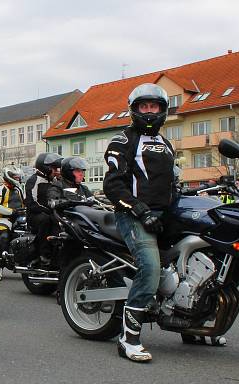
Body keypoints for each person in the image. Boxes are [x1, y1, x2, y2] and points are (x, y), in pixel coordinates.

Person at [103, 83, 177, 362]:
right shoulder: (122, 141)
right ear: (134, 110)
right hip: (133, 216)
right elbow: (113, 186)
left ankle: (195, 327)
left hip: (164, 217)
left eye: (154, 106)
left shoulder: (166, 144)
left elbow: (172, 184)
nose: (149, 111)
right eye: (144, 106)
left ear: (162, 110)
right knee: (150, 268)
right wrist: (140, 210)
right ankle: (128, 338)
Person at [24, 152, 62, 267]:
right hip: (35, 215)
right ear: (45, 168)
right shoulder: (34, 180)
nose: (56, 171)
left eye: (57, 168)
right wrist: (49, 210)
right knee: (46, 220)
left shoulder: (53, 181)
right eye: (54, 168)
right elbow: (31, 202)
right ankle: (43, 254)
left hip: (49, 213)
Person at [0, 167, 24, 280]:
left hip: (19, 218)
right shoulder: (0, 189)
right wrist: (12, 212)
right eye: (16, 177)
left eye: (18, 177)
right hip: (3, 219)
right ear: (9, 177)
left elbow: (24, 203)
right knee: (4, 237)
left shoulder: (19, 189)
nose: (18, 179)